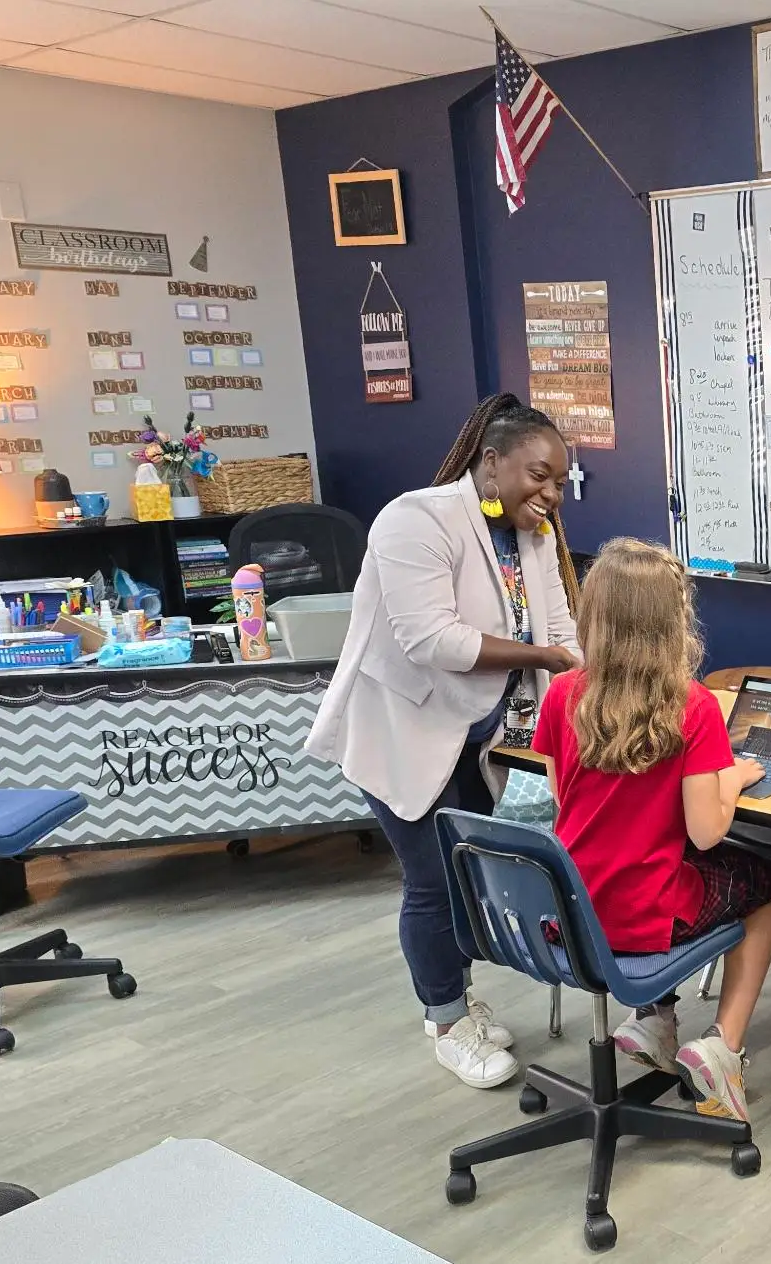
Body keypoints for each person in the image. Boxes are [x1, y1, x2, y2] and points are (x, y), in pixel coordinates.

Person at [308, 394, 582, 1091]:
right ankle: (447, 1021)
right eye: (538, 476)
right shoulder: (413, 520)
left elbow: (560, 632)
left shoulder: (533, 537)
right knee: (431, 880)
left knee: (466, 877)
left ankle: (454, 1004)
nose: (550, 495)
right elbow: (430, 638)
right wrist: (545, 657)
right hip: (401, 728)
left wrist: (594, 683)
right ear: (491, 463)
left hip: (473, 730)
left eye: (559, 482)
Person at [531, 538, 771, 1123]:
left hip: (568, 910)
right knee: (766, 883)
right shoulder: (691, 707)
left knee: (674, 867)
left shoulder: (565, 695)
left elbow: (563, 797)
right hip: (644, 915)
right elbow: (705, 834)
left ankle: (653, 1020)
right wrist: (732, 780)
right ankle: (723, 1046)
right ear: (674, 620)